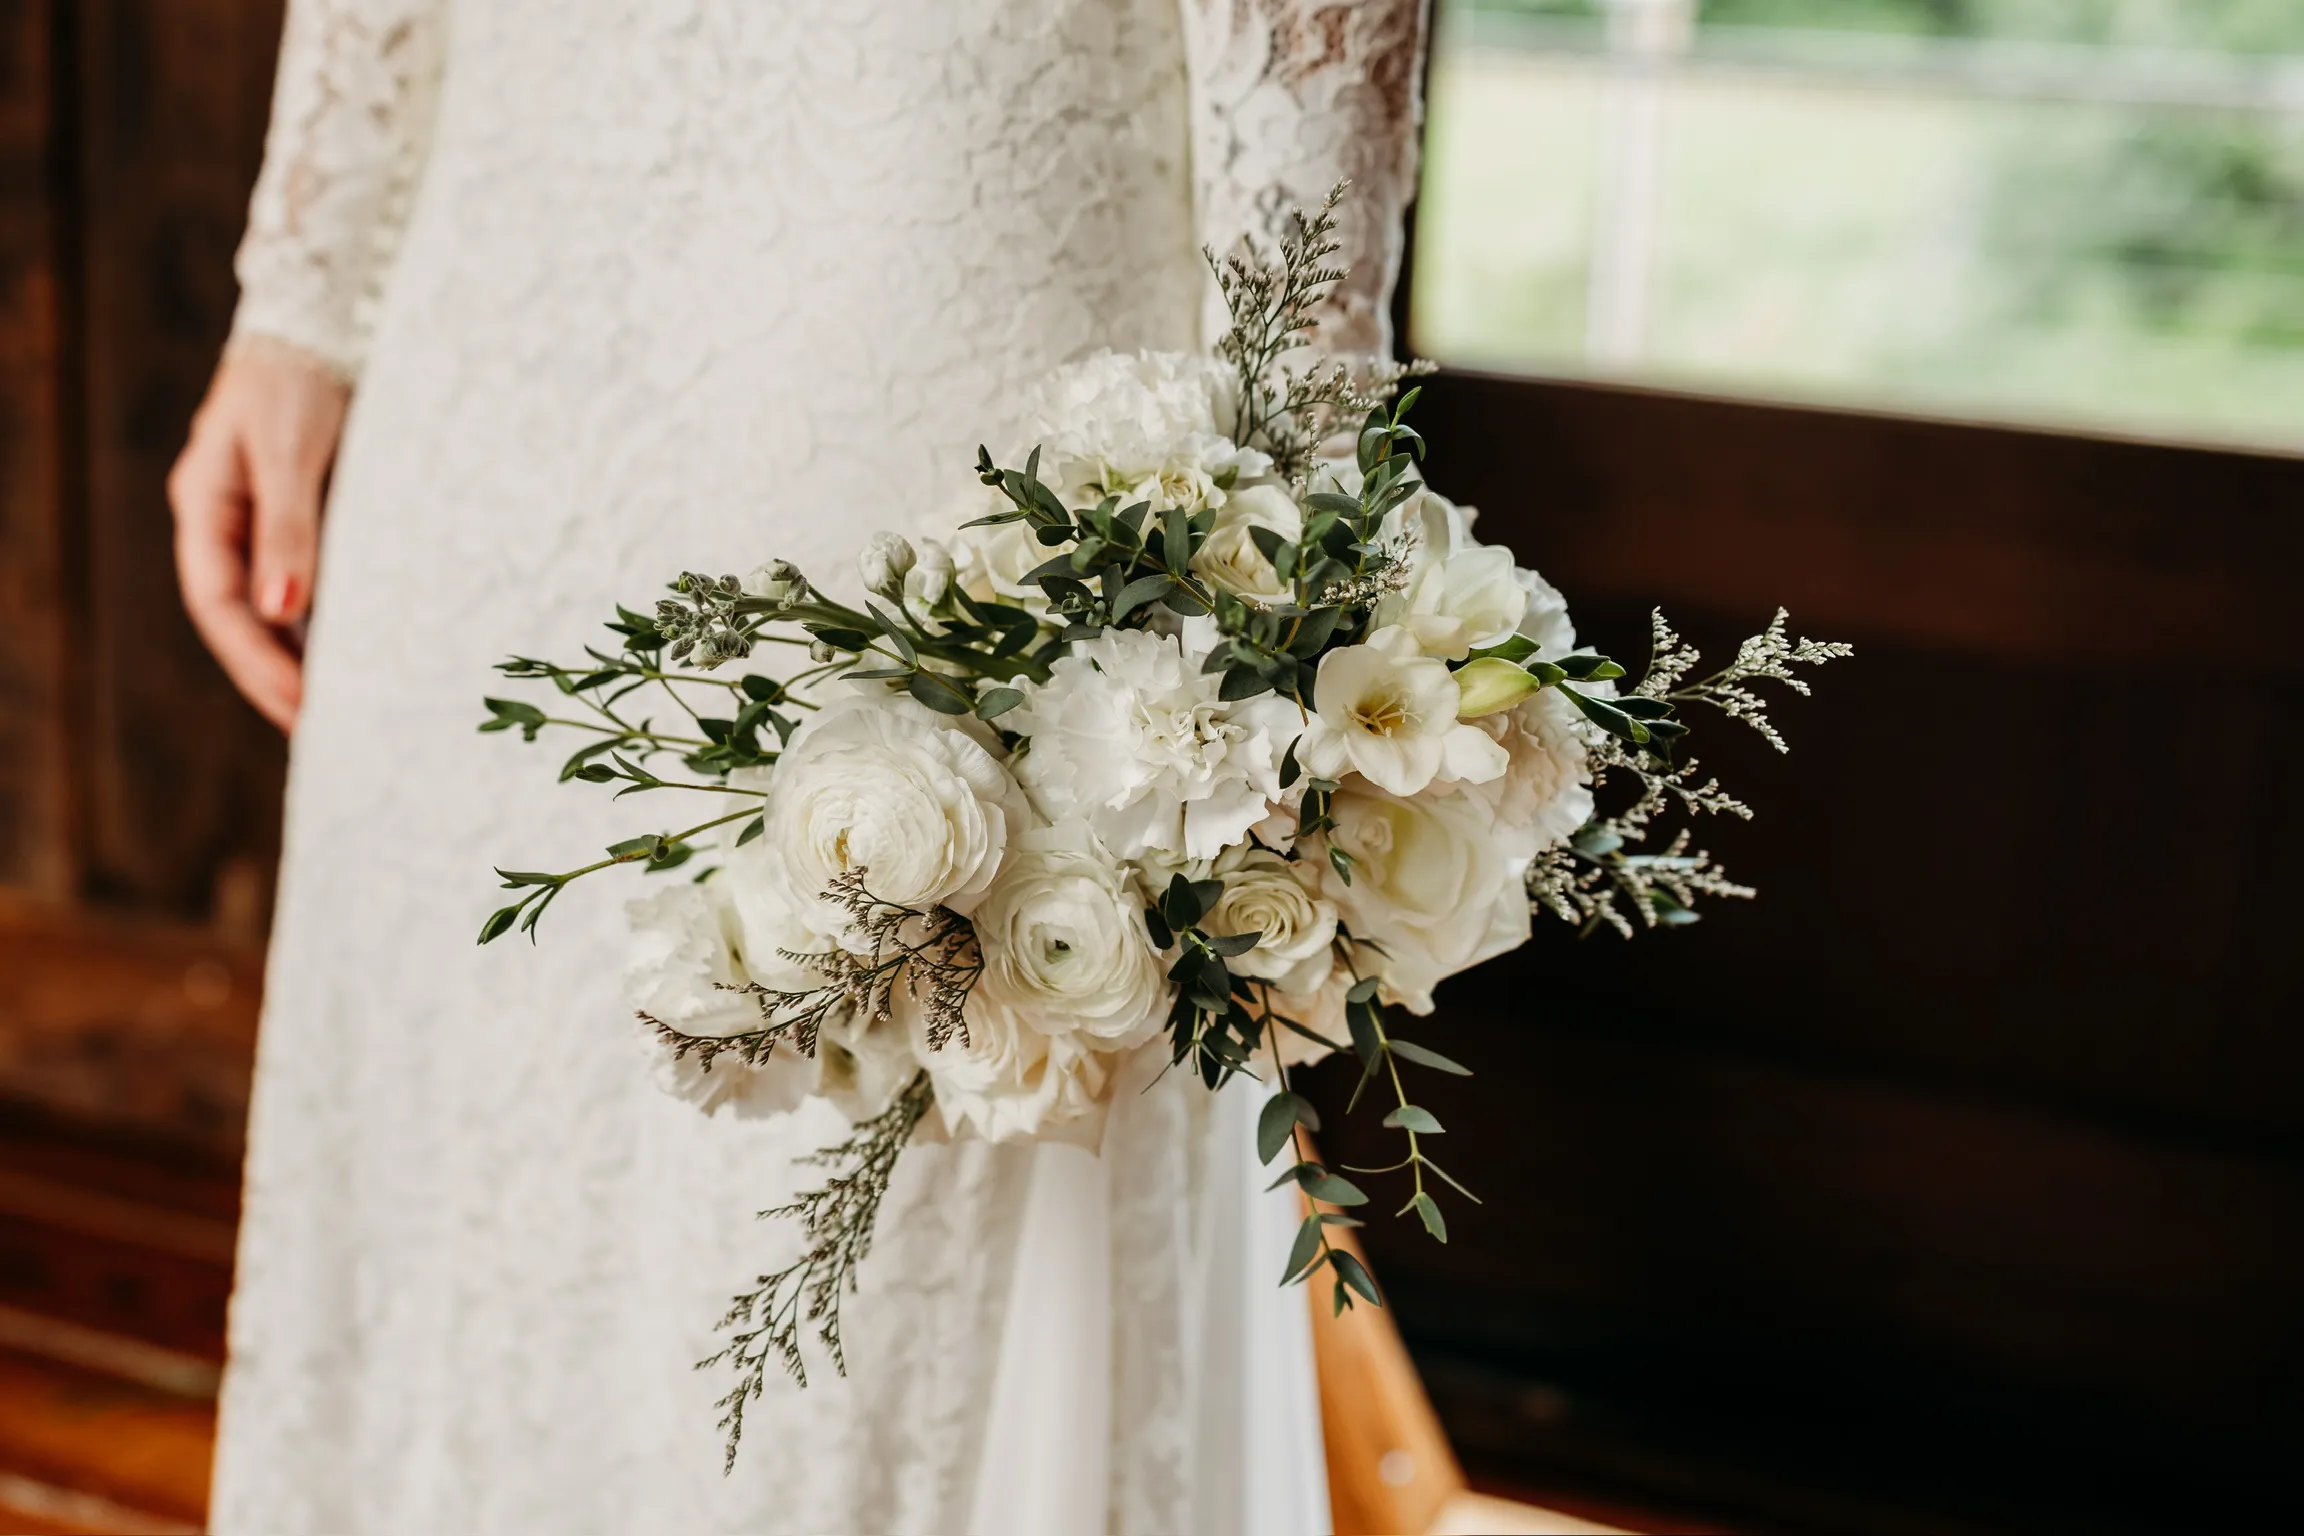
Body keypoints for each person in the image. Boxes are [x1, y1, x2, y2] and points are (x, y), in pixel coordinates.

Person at [169, 2, 1428, 1530]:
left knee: (864, 1256)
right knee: (472, 1196)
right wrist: (300, 300)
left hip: (940, 274)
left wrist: (1300, 488)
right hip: (491, 299)